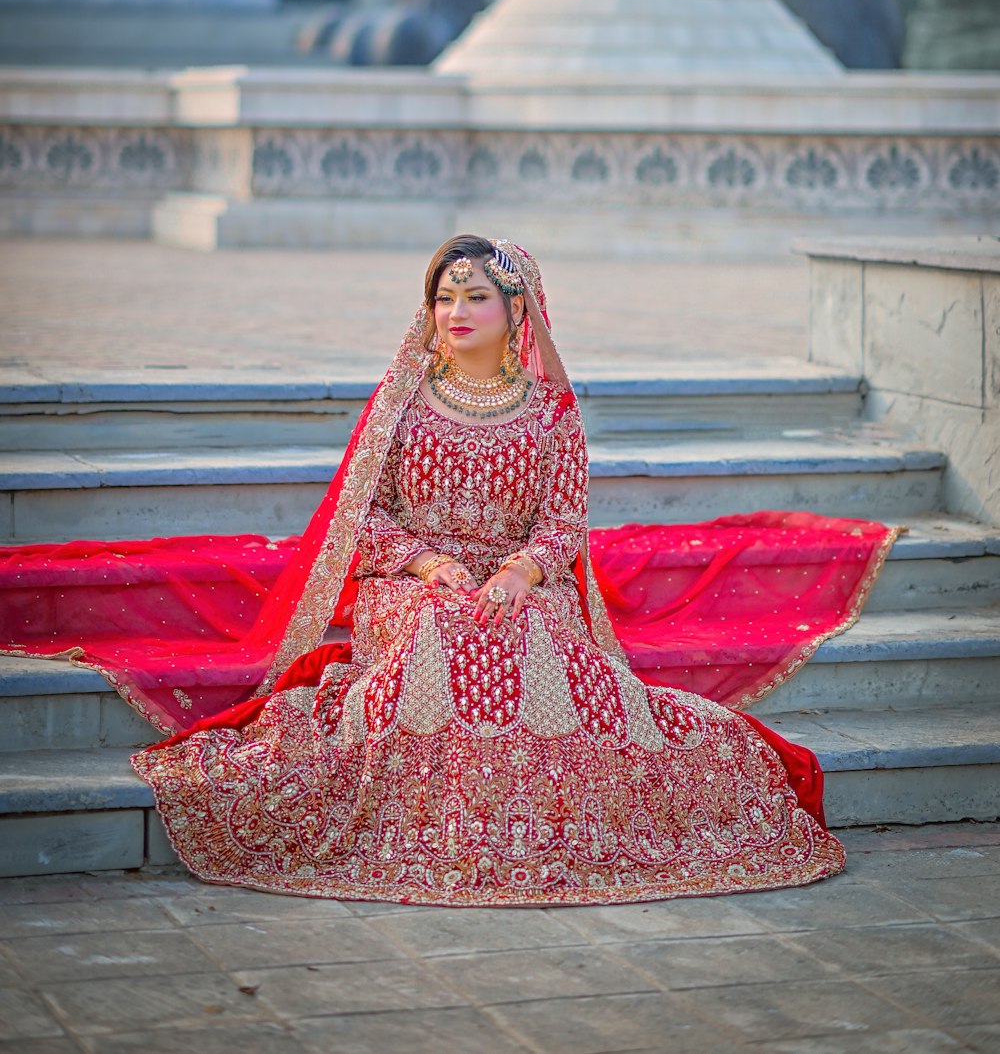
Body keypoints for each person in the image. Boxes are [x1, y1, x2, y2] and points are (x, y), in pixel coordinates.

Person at [117, 236, 893, 906]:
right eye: (444, 296)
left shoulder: (551, 412)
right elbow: (369, 515)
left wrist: (522, 572)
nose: (456, 311)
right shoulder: (403, 403)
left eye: (475, 296)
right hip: (409, 587)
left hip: (523, 587)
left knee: (527, 642)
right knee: (441, 628)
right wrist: (427, 562)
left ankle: (540, 826)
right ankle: (442, 828)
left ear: (516, 310)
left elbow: (563, 523)